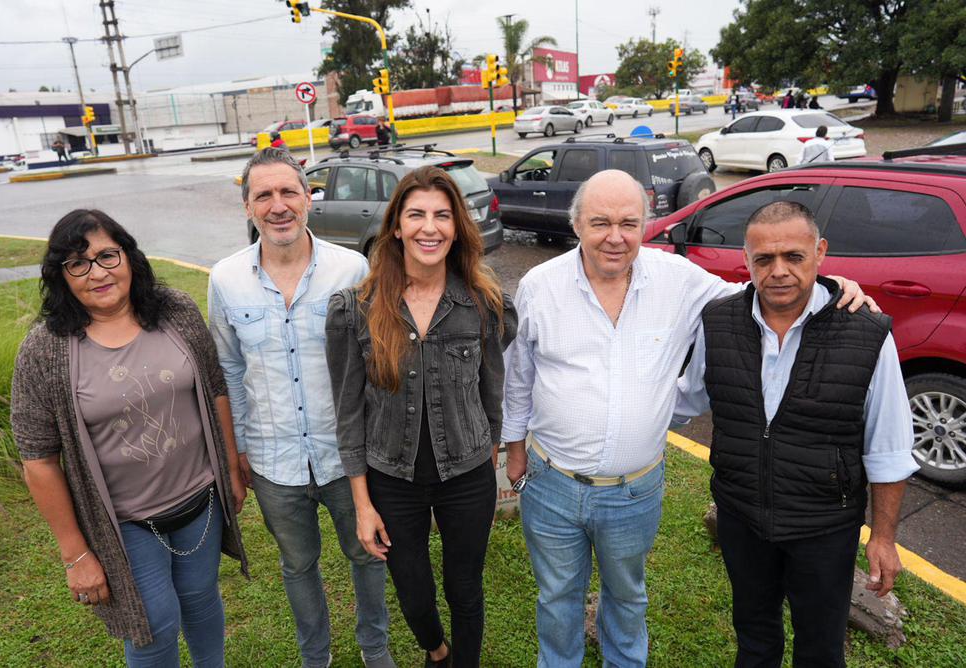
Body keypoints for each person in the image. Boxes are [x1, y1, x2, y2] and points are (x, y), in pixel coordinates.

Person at [501, 170, 874, 667]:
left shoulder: (678, 281)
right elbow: (519, 373)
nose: (616, 237)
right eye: (600, 223)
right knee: (556, 597)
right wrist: (515, 447)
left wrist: (830, 286)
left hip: (634, 491)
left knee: (628, 596)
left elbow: (763, 292)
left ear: (646, 226)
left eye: (629, 223)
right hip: (551, 482)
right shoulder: (539, 286)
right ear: (576, 226)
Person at [673, 201, 917, 667]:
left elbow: (888, 444)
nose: (778, 271)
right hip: (742, 516)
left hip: (824, 527)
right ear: (746, 261)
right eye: (764, 259)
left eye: (793, 256)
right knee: (755, 638)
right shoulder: (719, 321)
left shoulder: (864, 331)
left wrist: (883, 538)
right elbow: (686, 400)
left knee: (820, 649)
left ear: (820, 252)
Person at [10, 209, 248, 666]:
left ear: (129, 257)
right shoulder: (45, 350)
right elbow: (38, 459)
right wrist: (76, 554)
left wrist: (231, 467)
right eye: (78, 263)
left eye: (106, 256)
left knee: (201, 602)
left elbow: (215, 388)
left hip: (200, 500)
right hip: (125, 523)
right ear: (61, 276)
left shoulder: (176, 310)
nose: (97, 273)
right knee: (152, 627)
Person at [208, 147, 396, 668]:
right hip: (272, 460)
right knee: (297, 565)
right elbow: (228, 372)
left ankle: (374, 647)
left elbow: (375, 366)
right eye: (263, 195)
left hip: (347, 458)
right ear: (247, 207)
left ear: (309, 198)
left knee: (367, 554)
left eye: (289, 191)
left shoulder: (351, 269)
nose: (278, 205)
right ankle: (316, 655)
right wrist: (237, 454)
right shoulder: (225, 279)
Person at [326, 166, 517, 668]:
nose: (429, 227)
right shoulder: (357, 309)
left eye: (442, 216)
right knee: (411, 589)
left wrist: (488, 456)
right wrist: (363, 505)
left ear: (457, 228)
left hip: (467, 475)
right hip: (392, 476)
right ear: (396, 226)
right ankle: (437, 651)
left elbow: (491, 392)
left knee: (465, 587)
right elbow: (348, 413)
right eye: (416, 215)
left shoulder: (483, 304)